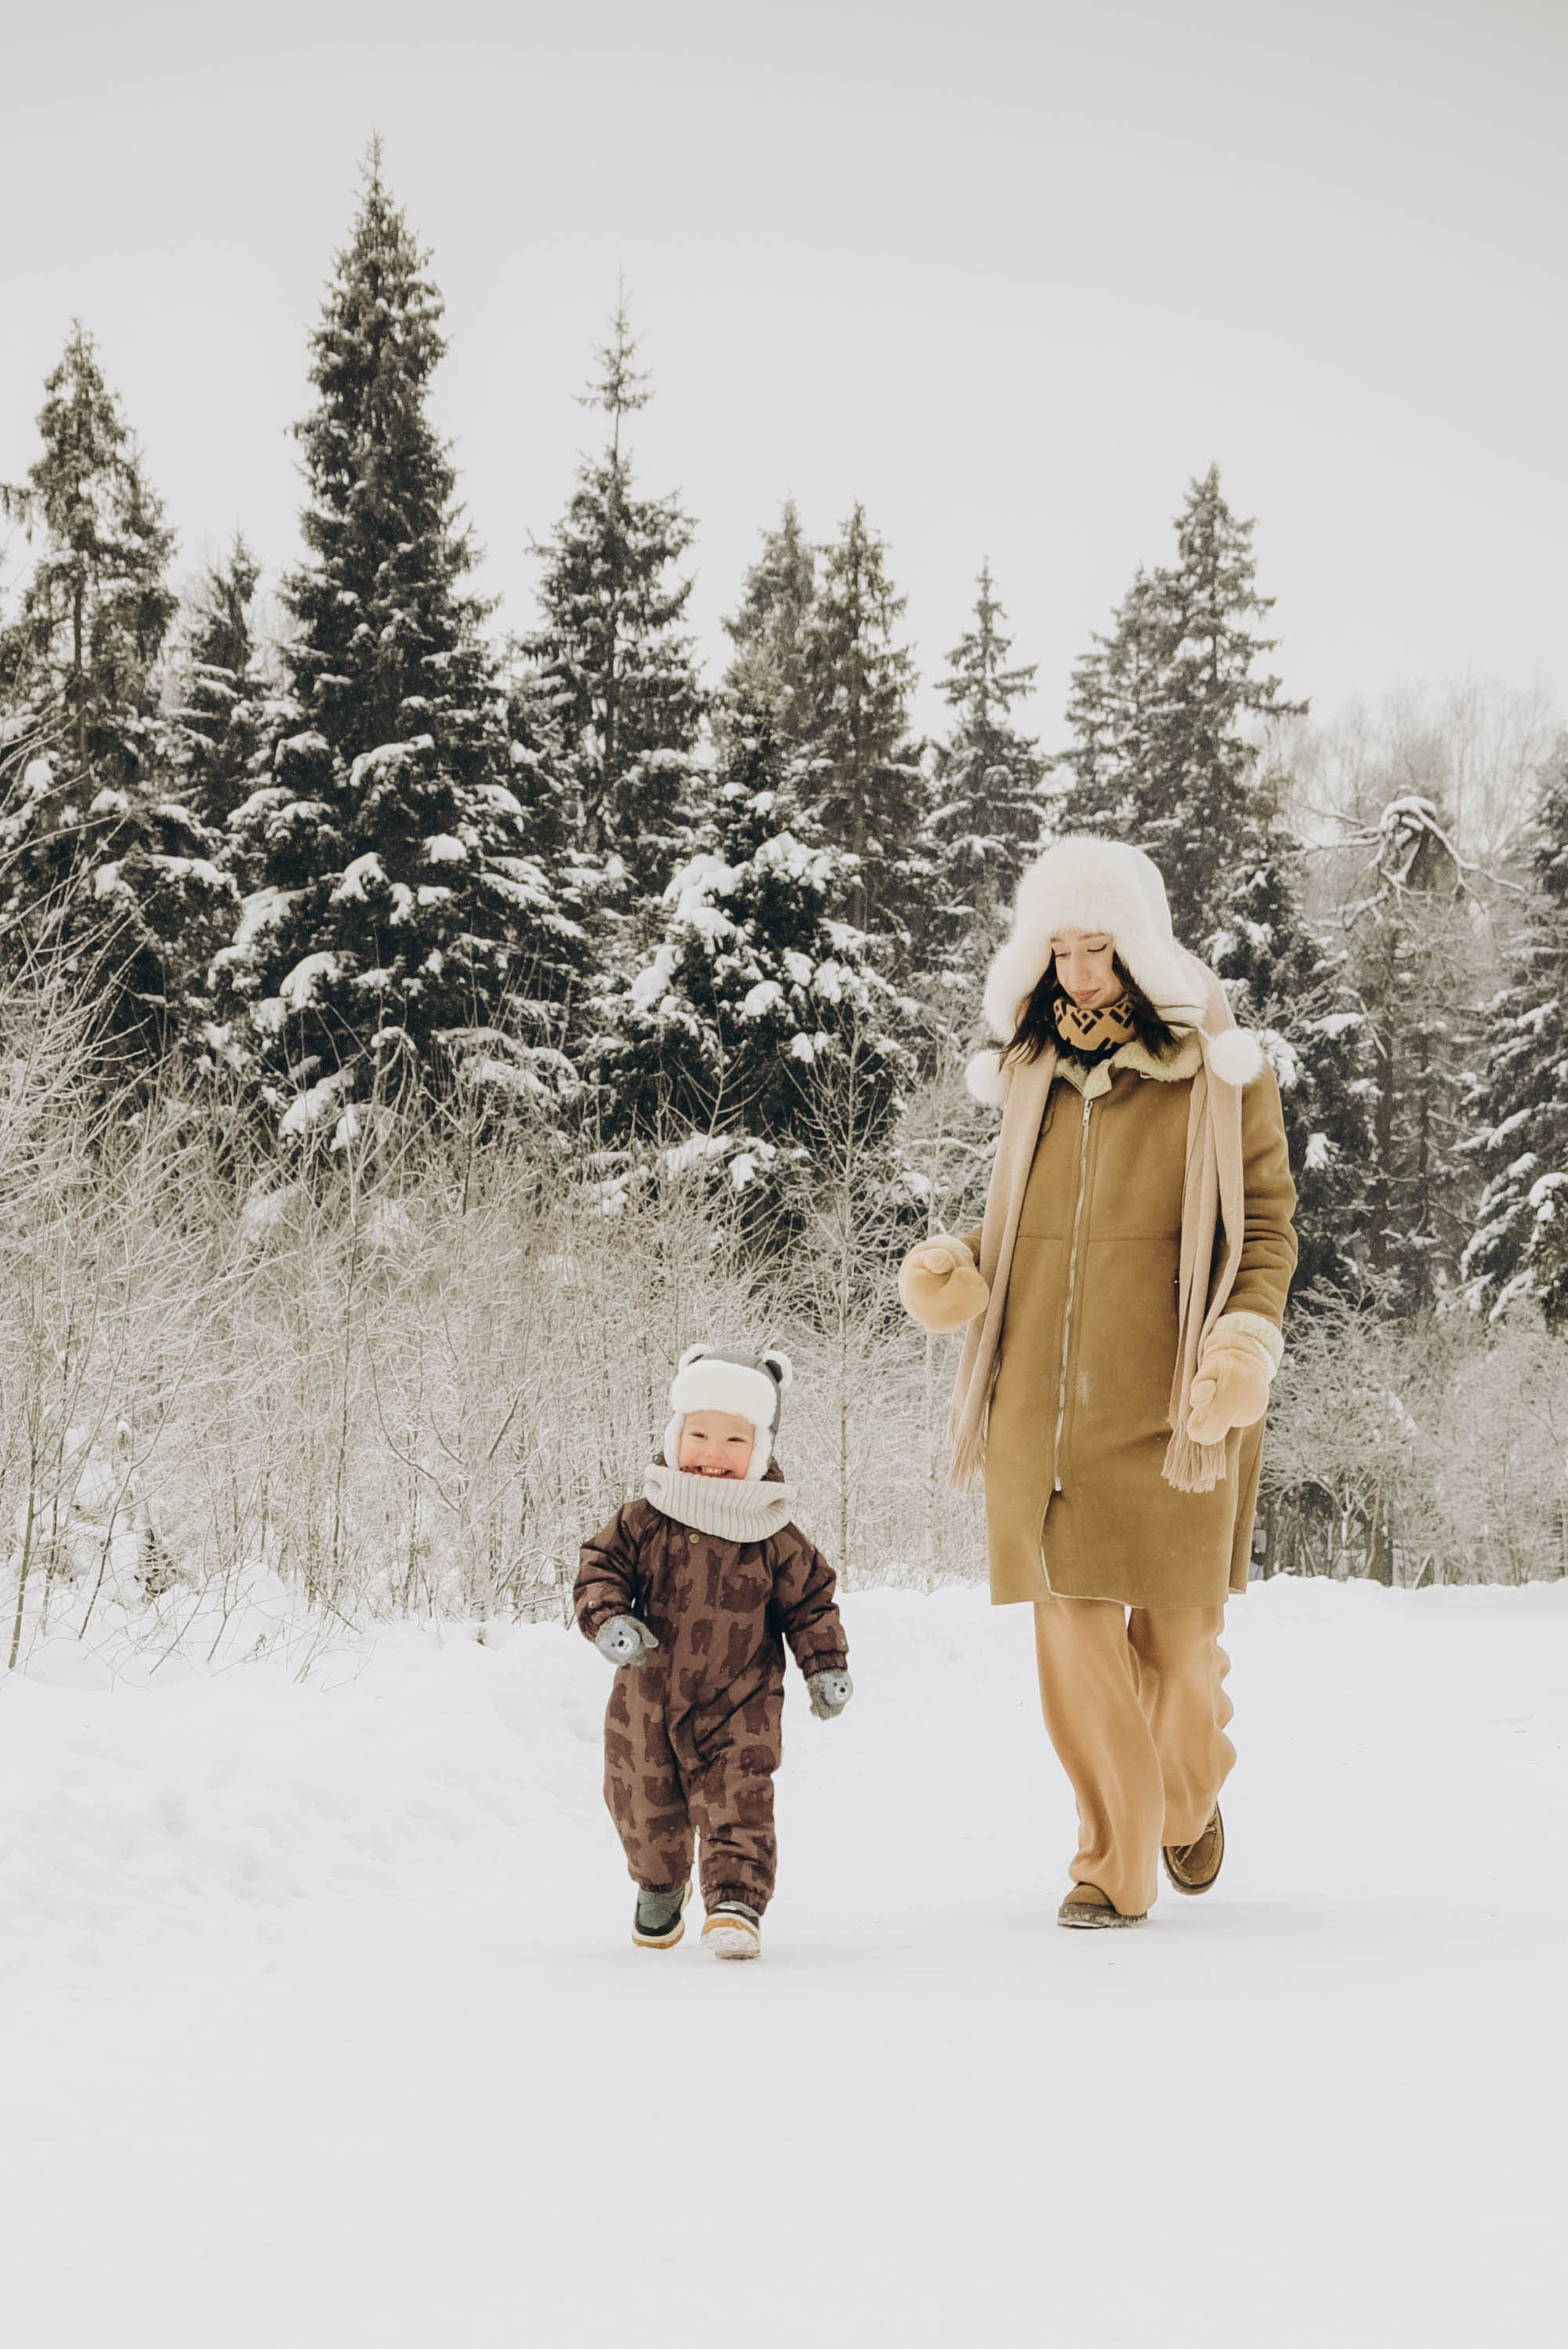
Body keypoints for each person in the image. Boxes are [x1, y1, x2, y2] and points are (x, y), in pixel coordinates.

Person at [899, 838, 1296, 1928]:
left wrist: (1240, 1350)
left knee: (1175, 1652)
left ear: (1141, 947)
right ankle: (1109, 1864)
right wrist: (964, 1268)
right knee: (1074, 1639)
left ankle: (1184, 1794)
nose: (1078, 973)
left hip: (1175, 1403)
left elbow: (1263, 1228)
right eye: (1059, 950)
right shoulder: (1029, 1070)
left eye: (1098, 948)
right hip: (1040, 1407)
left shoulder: (1222, 1071)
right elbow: (1021, 1221)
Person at [574, 1345, 853, 1959]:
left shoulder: (773, 1533)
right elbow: (599, 1568)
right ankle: (660, 1883)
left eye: (734, 1440)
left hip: (741, 1697)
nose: (713, 1453)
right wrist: (609, 1617)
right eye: (699, 1433)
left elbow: (811, 1603)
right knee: (640, 1797)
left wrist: (825, 1664)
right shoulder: (643, 1520)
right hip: (647, 1694)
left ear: (759, 1450)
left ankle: (734, 1900)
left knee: (739, 1792)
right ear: (676, 1435)